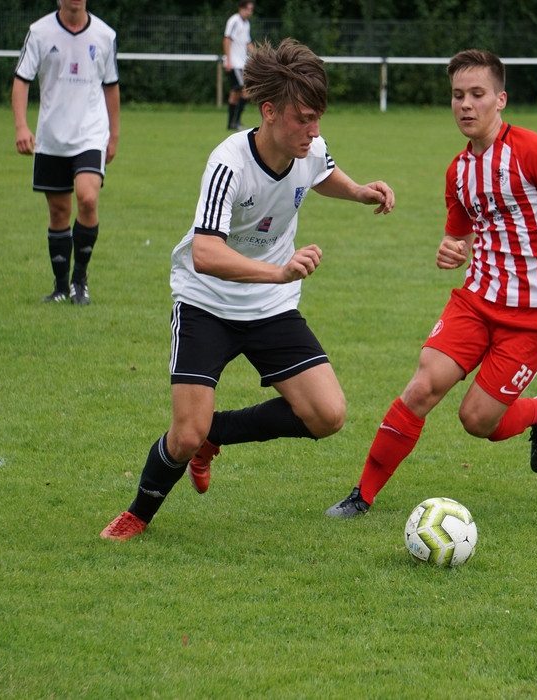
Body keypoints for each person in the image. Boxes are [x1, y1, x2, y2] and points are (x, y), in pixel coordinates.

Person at [101, 39, 395, 541]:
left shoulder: (310, 147)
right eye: (303, 118)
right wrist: (278, 273)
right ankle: (139, 513)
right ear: (269, 112)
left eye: (318, 118)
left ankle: (215, 436)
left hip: (270, 307)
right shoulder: (228, 162)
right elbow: (205, 253)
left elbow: (320, 172)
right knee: (184, 433)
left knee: (327, 415)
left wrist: (359, 190)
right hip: (206, 302)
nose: (314, 130)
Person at [326, 49, 537, 519]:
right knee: (421, 388)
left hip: (533, 316)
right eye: (458, 96)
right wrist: (449, 251)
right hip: (475, 301)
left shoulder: (533, 151)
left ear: (501, 99)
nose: (466, 105)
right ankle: (362, 496)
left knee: (478, 421)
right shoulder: (458, 171)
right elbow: (458, 237)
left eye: (477, 94)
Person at [12, 0, 120, 305]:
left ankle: (79, 280)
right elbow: (21, 81)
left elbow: (112, 86)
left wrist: (114, 134)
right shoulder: (39, 32)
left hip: (90, 135)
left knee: (87, 197)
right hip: (52, 137)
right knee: (59, 211)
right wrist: (21, 126)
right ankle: (60, 287)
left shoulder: (104, 35)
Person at [223, 0, 254, 130]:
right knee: (245, 91)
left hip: (242, 63)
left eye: (251, 9)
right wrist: (228, 59)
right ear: (241, 8)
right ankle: (236, 121)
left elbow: (248, 43)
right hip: (235, 63)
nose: (250, 12)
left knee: (235, 93)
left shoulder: (246, 24)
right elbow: (226, 39)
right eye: (248, 9)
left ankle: (231, 123)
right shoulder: (233, 21)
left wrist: (259, 57)